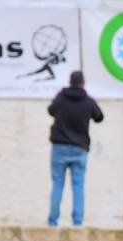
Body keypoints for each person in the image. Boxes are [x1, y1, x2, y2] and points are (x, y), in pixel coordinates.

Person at [47, 70, 103, 227]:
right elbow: (99, 117)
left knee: (58, 184)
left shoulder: (61, 97)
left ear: (69, 82)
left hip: (59, 147)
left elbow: (51, 110)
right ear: (83, 83)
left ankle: (53, 222)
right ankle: (77, 223)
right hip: (79, 148)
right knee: (78, 186)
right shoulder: (88, 101)